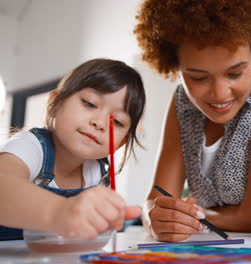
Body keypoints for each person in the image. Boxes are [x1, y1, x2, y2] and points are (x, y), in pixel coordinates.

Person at [134, 0, 251, 242]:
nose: (219, 94)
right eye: (198, 77)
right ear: (176, 65)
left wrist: (187, 216)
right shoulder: (182, 102)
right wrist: (152, 217)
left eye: (235, 73)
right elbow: (157, 199)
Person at [0, 58, 146, 240]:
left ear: (121, 143)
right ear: (55, 104)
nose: (100, 123)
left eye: (117, 121)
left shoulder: (96, 172)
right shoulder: (29, 146)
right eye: (90, 103)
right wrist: (61, 211)